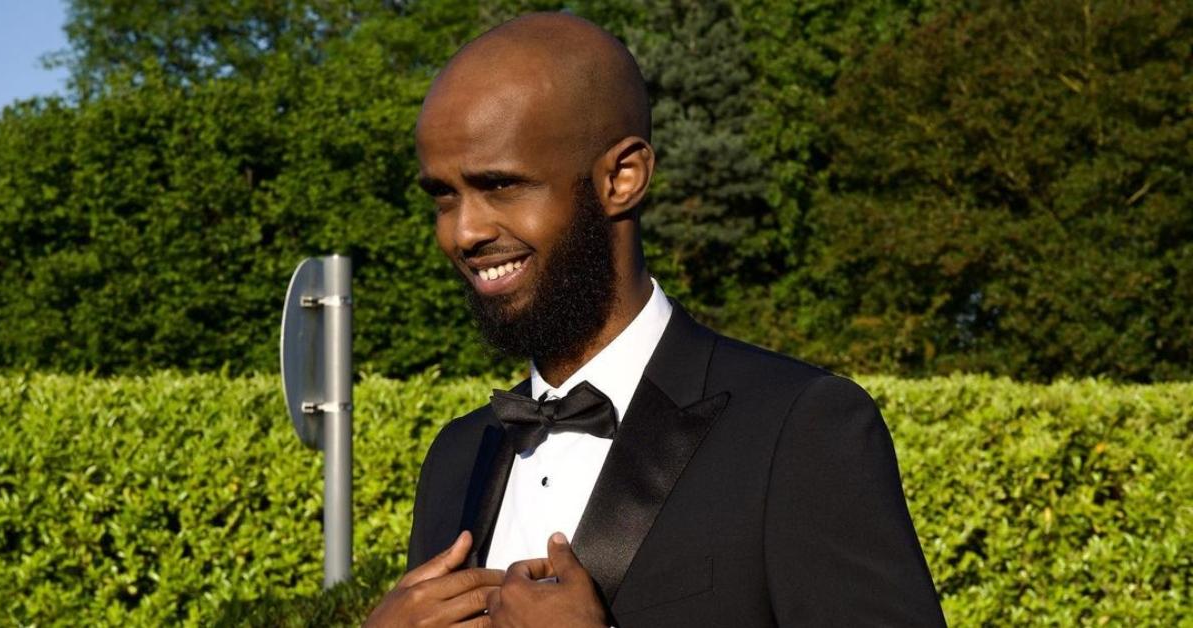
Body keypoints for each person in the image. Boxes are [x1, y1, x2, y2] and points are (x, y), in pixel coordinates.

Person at [365, 12, 946, 628]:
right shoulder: (458, 457)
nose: (464, 232)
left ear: (623, 177)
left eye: (502, 186)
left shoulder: (799, 430)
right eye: (443, 197)